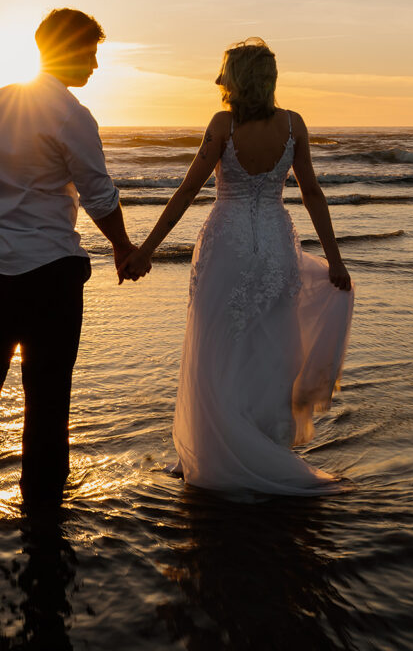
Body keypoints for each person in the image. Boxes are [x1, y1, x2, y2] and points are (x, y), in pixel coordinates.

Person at [121, 38, 354, 497]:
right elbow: (312, 194)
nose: (216, 80)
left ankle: (216, 456)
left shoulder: (223, 125)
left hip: (226, 247)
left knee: (217, 352)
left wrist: (146, 249)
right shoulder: (294, 125)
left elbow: (188, 190)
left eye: (224, 72)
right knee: (268, 351)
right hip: (274, 248)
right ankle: (262, 447)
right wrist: (335, 259)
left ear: (240, 79)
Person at [0, 8, 144, 509]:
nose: (95, 65)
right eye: (91, 53)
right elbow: (98, 195)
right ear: (69, 50)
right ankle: (42, 504)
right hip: (48, 273)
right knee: (48, 396)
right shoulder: (71, 115)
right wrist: (122, 246)